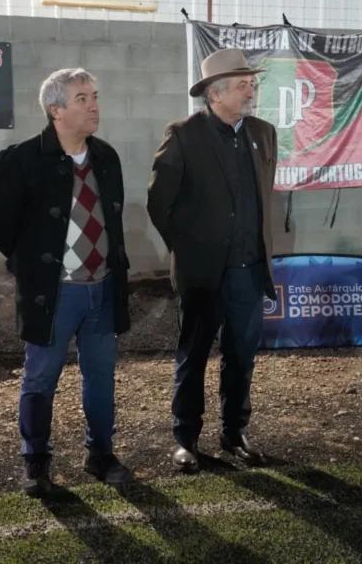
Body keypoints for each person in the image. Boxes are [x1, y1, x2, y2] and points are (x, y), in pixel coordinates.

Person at [0, 68, 133, 496]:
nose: (94, 105)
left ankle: (100, 453)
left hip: (103, 289)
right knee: (40, 378)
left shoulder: (106, 157)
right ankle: (36, 460)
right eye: (82, 98)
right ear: (56, 110)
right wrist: (35, 269)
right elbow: (0, 226)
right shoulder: (20, 159)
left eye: (95, 96)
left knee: (101, 375)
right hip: (54, 293)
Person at [147, 48, 278, 472]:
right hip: (203, 275)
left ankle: (234, 433)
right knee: (194, 355)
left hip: (250, 272)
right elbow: (158, 203)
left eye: (251, 84)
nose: (250, 91)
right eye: (243, 85)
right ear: (215, 94)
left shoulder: (264, 133)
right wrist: (188, 250)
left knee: (242, 357)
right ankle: (185, 438)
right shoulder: (184, 134)